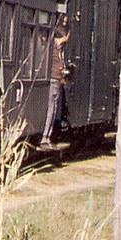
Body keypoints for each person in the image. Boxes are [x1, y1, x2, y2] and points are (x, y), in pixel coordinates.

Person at [40, 17, 71, 146]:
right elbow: (65, 39)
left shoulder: (53, 47)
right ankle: (45, 137)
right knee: (52, 109)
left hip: (56, 79)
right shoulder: (55, 47)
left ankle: (47, 135)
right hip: (54, 80)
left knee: (53, 109)